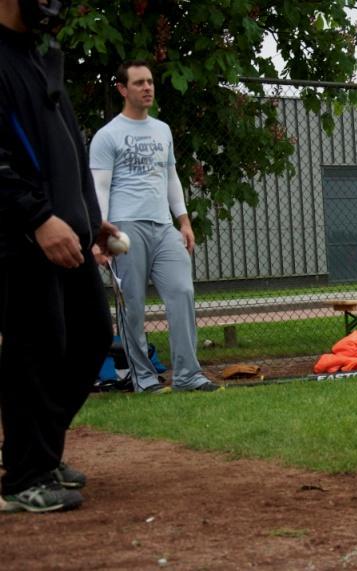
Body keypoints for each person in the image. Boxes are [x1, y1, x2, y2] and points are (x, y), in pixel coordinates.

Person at [1, 0, 119, 513]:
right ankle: (24, 476)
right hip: (22, 235)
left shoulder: (42, 53)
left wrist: (91, 220)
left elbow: (68, 143)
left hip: (67, 230)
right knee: (35, 349)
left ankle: (39, 451)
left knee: (91, 335)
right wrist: (35, 217)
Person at [89, 60, 221, 393]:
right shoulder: (108, 136)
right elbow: (99, 189)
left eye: (149, 82)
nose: (147, 87)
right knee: (132, 305)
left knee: (182, 292)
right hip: (123, 229)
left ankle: (189, 375)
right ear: (122, 89)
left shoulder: (162, 130)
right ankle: (144, 379)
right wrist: (99, 236)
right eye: (138, 83)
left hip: (163, 226)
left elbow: (171, 177)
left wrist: (184, 221)